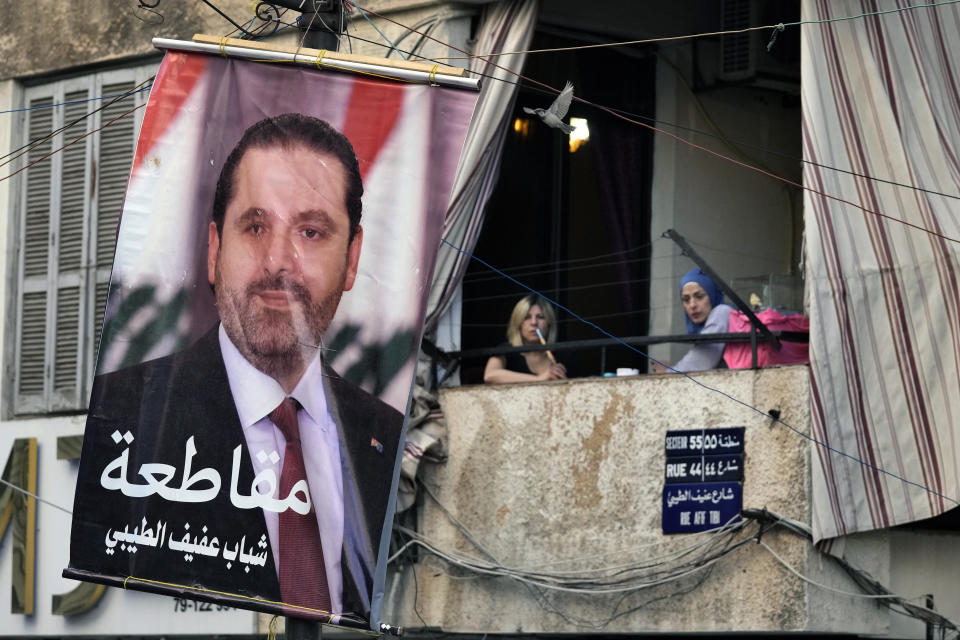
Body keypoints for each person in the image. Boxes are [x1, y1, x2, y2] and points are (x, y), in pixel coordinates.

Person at [67, 114, 403, 625]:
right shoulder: (126, 414)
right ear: (214, 248)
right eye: (255, 226)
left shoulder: (384, 436)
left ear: (352, 258)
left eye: (311, 231)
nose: (277, 261)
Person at [653, 268, 733, 373]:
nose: (692, 305)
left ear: (713, 295)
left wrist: (668, 372)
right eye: (686, 300)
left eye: (699, 296)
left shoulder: (722, 312)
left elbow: (700, 363)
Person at [484, 294, 567, 383]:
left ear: (549, 323)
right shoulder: (507, 350)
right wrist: (539, 379)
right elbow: (490, 375)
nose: (534, 323)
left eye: (540, 317)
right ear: (518, 324)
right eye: (527, 317)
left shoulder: (563, 354)